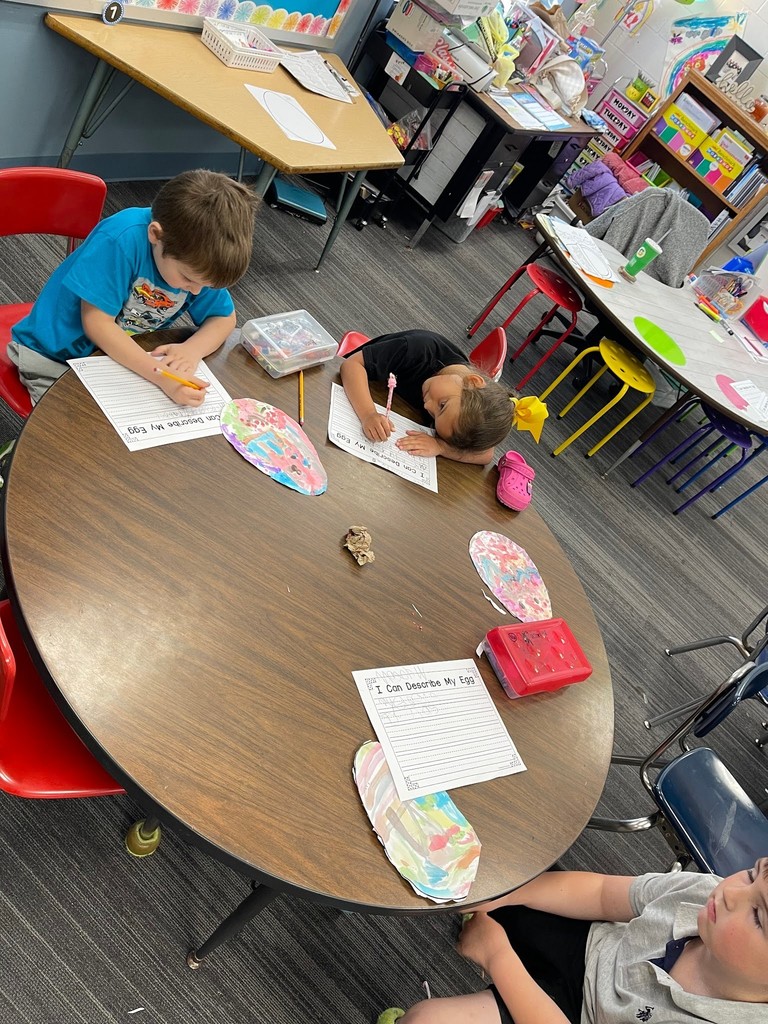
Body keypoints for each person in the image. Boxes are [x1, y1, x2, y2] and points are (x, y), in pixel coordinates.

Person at [380, 860, 768, 1024]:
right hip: (593, 948)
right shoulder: (705, 892)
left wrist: (497, 955)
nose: (732, 892)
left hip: (575, 1016)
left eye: (758, 915)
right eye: (752, 875)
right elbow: (601, 893)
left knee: (424, 1019)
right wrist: (506, 893)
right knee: (490, 869)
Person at [10, 169, 258, 406]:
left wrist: (192, 350)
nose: (195, 291)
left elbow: (224, 318)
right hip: (52, 356)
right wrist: (163, 376)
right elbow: (97, 324)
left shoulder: (194, 261)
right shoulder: (121, 240)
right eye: (188, 280)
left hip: (115, 360)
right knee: (72, 436)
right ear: (155, 235)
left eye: (206, 285)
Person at [339, 330, 519, 465]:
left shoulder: (462, 406)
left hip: (391, 405)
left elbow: (486, 455)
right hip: (349, 384)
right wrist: (368, 414)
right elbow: (351, 366)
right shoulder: (418, 348)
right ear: (472, 382)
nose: (428, 407)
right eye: (442, 405)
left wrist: (441, 447)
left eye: (435, 416)